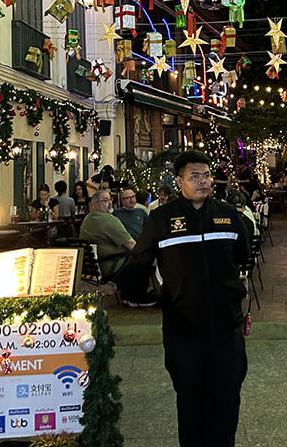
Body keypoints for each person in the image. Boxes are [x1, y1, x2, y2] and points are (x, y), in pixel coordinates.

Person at [113, 150, 251, 447]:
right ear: (180, 181)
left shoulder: (227, 215)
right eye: (194, 176)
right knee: (189, 400)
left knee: (226, 399)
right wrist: (112, 285)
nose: (202, 181)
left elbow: (243, 256)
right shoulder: (162, 219)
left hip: (226, 326)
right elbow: (140, 262)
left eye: (206, 175)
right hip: (183, 328)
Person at [80, 190, 154, 307]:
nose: (109, 203)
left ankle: (126, 293)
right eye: (105, 201)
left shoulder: (88, 219)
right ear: (95, 204)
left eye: (110, 200)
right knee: (143, 257)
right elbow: (131, 245)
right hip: (112, 265)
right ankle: (135, 296)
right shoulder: (108, 220)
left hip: (95, 266)